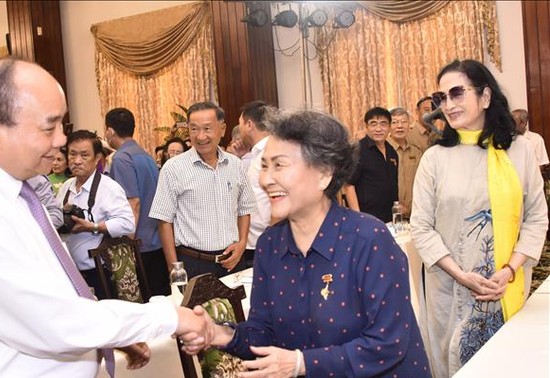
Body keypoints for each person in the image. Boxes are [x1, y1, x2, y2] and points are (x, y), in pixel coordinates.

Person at [0, 57, 212, 377]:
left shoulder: (11, 191)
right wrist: (168, 317)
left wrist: (108, 334)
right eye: (49, 127)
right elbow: (51, 323)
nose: (61, 140)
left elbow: (55, 289)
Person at [180, 110, 431, 377]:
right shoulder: (270, 245)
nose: (265, 179)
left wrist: (302, 363)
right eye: (264, 166)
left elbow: (388, 344)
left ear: (324, 174)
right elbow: (264, 332)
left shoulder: (369, 240)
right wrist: (220, 334)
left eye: (279, 165)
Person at [411, 59, 548, 377]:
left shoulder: (520, 151)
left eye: (456, 93)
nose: (447, 104)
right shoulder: (435, 158)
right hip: (450, 287)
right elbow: (421, 226)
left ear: (485, 97)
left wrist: (510, 269)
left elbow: (536, 217)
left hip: (507, 285)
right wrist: (460, 274)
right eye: (441, 98)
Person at [149, 101, 257, 279]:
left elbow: (244, 209)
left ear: (222, 129)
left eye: (207, 128)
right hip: (193, 263)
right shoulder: (173, 168)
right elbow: (164, 221)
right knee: (196, 308)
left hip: (232, 260)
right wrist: (174, 270)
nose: (200, 136)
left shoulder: (235, 165)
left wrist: (242, 243)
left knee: (236, 308)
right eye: (194, 129)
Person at [57, 130, 135, 299]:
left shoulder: (109, 188)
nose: (77, 161)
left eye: (84, 155)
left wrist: (92, 227)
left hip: (99, 273)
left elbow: (127, 223)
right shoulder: (66, 187)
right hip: (71, 273)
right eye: (72, 154)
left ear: (97, 157)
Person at [105, 107, 170, 297]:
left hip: (139, 244)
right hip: (156, 239)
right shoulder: (145, 155)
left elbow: (133, 203)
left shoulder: (121, 158)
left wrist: (127, 245)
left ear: (110, 131)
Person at [236, 100, 279, 267]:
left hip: (267, 241)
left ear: (249, 124)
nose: (239, 129)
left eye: (240, 123)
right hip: (254, 241)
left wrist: (273, 236)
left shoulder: (270, 153)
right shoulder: (255, 154)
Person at [344, 106, 399, 223]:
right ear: (366, 127)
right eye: (373, 124)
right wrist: (358, 217)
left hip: (389, 218)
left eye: (383, 124)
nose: (378, 129)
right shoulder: (358, 149)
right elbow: (349, 185)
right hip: (366, 218)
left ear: (389, 127)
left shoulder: (392, 151)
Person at [388, 107, 423, 218]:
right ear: (388, 126)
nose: (400, 126)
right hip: (388, 213)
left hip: (414, 214)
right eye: (394, 122)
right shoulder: (383, 150)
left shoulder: (416, 152)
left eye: (404, 122)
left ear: (409, 126)